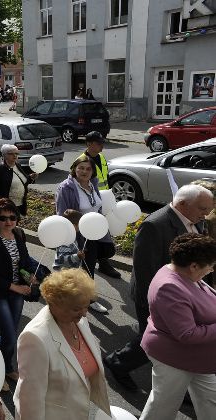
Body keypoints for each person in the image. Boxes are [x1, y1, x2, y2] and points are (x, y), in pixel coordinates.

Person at [104, 184, 214, 390]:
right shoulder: (154, 225)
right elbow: (146, 270)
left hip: (186, 293)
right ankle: (117, 363)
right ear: (182, 204)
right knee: (155, 341)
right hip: (159, 297)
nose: (207, 214)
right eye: (202, 208)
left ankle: (184, 384)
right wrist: (157, 302)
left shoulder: (196, 219)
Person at [14, 268, 112, 420]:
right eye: (77, 309)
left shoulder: (79, 320)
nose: (85, 313)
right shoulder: (34, 338)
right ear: (54, 303)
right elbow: (30, 400)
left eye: (86, 306)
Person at [139, 233, 216, 420]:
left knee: (212, 401)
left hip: (198, 359)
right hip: (174, 359)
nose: (212, 270)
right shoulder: (170, 287)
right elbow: (187, 334)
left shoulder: (182, 272)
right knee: (163, 406)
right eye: (210, 266)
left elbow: (203, 295)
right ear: (194, 266)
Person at [0, 198, 37, 392]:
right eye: (3, 218)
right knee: (10, 336)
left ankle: (4, 367)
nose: (8, 222)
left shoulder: (18, 235)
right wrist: (15, 287)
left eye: (12, 217)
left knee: (9, 334)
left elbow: (25, 261)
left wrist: (30, 276)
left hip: (18, 291)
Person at [55, 154, 113, 313]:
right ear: (74, 169)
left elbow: (98, 208)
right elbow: (62, 214)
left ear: (93, 172)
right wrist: (71, 233)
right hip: (76, 235)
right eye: (81, 168)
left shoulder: (93, 184)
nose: (84, 171)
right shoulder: (66, 187)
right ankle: (84, 300)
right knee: (74, 268)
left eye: (88, 169)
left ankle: (86, 299)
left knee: (89, 268)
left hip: (92, 234)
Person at [79, 131, 121, 278]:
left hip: (104, 202)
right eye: (98, 143)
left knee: (103, 232)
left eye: (102, 142)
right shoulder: (82, 161)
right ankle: (101, 264)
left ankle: (101, 261)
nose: (102, 145)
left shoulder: (101, 157)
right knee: (96, 233)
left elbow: (106, 178)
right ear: (89, 144)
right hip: (90, 204)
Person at [0, 144, 37, 215]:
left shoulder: (17, 165)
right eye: (11, 154)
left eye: (16, 153)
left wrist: (31, 177)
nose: (14, 156)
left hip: (20, 204)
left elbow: (22, 180)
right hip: (5, 207)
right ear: (4, 155)